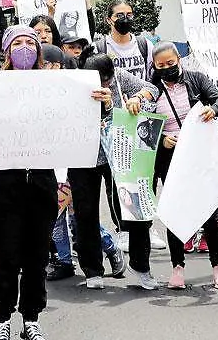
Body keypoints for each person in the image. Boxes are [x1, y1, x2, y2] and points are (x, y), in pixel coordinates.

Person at [0, 25, 113, 340]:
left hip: (41, 183)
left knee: (36, 256)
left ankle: (30, 320)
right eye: (17, 43)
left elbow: (81, 128)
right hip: (3, 183)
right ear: (6, 50)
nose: (24, 47)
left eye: (30, 42)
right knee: (4, 256)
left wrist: (102, 104)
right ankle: (2, 319)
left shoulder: (58, 87)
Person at [63, 54, 160, 290]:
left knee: (133, 208)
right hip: (84, 155)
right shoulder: (74, 84)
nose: (102, 85)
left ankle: (141, 265)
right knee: (85, 213)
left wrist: (133, 99)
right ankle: (92, 269)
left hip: (121, 153)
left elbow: (152, 91)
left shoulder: (120, 79)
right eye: (98, 81)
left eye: (106, 80)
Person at [147, 42, 218, 291]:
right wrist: (162, 137)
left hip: (198, 153)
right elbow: (145, 121)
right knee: (175, 209)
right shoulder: (152, 88)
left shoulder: (196, 80)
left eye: (171, 63)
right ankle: (177, 268)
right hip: (169, 157)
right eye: (160, 65)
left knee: (208, 211)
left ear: (179, 60)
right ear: (154, 66)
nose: (166, 68)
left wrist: (211, 109)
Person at [94, 0, 152, 82]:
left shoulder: (145, 45)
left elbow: (154, 78)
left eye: (129, 15)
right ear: (109, 20)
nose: (125, 19)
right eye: (119, 15)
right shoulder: (99, 48)